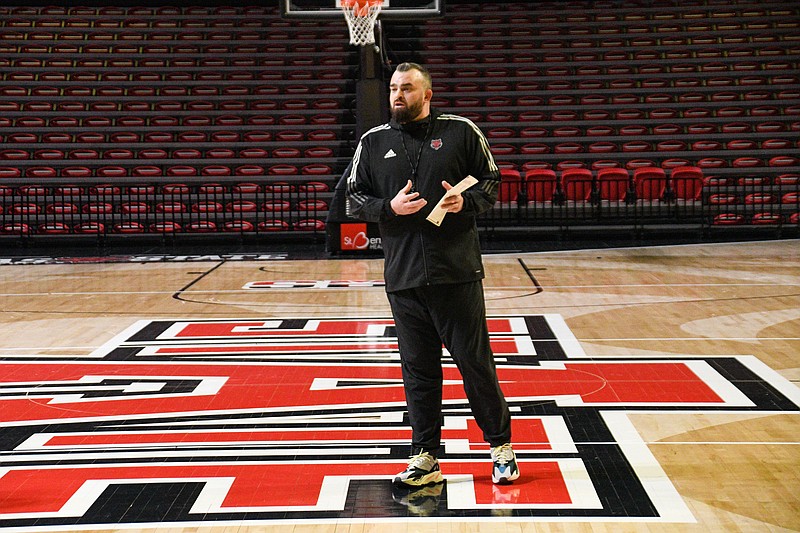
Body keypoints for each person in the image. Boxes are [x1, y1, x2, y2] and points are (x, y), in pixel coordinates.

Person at [345, 62, 519, 486]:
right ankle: (424, 456)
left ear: (428, 94)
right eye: (392, 89)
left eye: (407, 88)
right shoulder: (373, 141)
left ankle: (501, 449)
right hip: (403, 278)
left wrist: (468, 202)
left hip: (455, 273)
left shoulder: (460, 130)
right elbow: (352, 198)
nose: (398, 95)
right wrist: (389, 208)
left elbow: (493, 180)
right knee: (418, 371)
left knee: (475, 365)